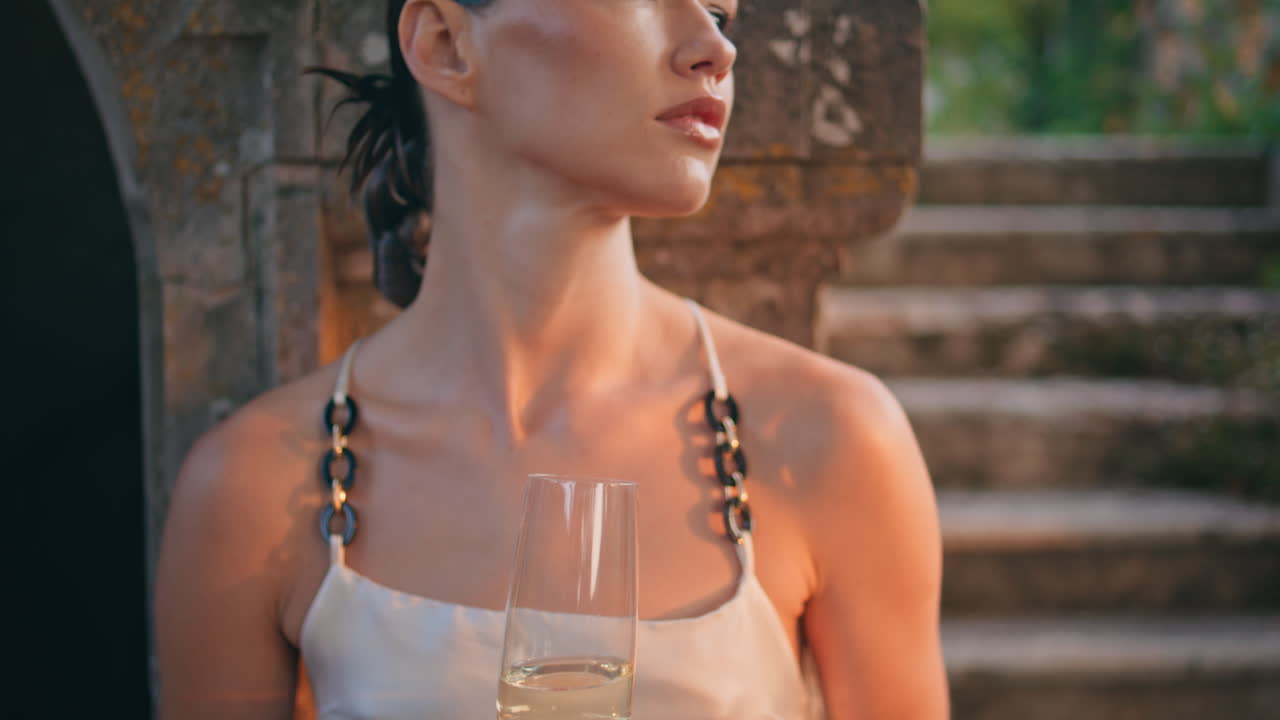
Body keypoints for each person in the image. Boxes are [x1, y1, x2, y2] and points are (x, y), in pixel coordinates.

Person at [153, 0, 949, 718]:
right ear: (445, 45)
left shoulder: (832, 438)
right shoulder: (252, 487)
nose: (714, 47)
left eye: (719, 10)